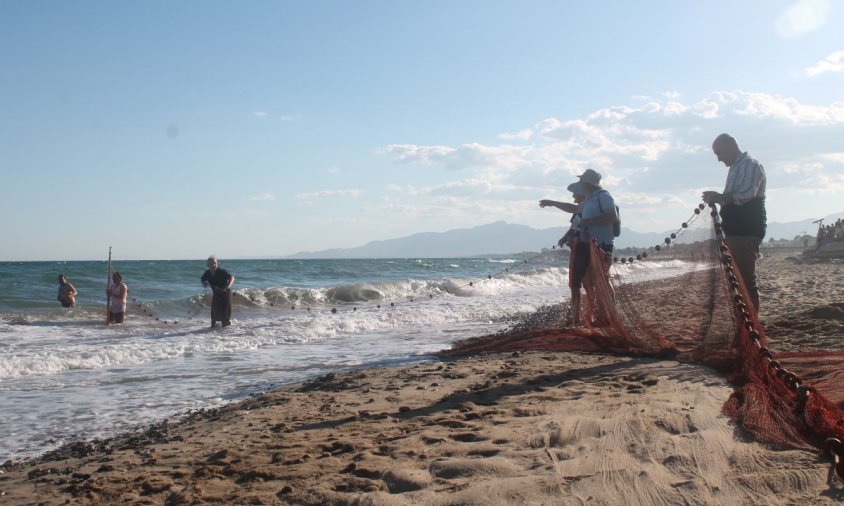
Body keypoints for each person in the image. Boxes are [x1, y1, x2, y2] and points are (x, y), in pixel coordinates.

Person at [702, 133, 766, 311]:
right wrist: (717, 198)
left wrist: (719, 197)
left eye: (719, 153)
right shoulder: (736, 167)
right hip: (735, 232)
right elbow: (731, 197)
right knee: (739, 280)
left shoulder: (749, 164)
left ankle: (752, 326)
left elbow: (746, 194)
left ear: (730, 146)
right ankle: (746, 321)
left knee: (745, 280)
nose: (719, 159)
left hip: (745, 231)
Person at [540, 182, 594, 326]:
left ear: (583, 194)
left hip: (583, 249)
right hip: (578, 249)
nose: (573, 196)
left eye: (575, 193)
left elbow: (581, 227)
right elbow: (573, 227)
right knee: (578, 284)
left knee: (581, 284)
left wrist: (552, 202)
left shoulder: (586, 207)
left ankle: (582, 317)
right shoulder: (579, 210)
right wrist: (564, 238)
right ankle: (577, 316)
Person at [201, 256, 235, 328]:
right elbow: (202, 279)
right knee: (214, 314)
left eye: (215, 263)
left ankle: (227, 332)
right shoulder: (207, 273)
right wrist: (204, 283)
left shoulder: (221, 271)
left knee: (225, 316)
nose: (213, 265)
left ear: (217, 264)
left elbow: (232, 277)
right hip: (216, 294)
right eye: (211, 263)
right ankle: (212, 333)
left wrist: (228, 285)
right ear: (207, 265)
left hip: (225, 293)